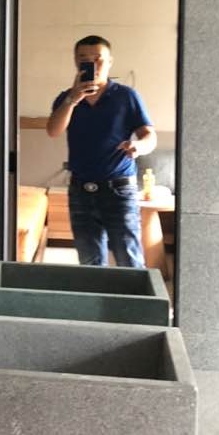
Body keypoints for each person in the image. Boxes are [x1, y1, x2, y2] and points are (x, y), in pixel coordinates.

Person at [46, 35, 156, 268]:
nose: (92, 64)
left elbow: (149, 136)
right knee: (89, 264)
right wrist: (72, 100)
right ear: (76, 62)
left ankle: (131, 294)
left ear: (110, 62)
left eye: (98, 59)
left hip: (119, 189)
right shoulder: (66, 98)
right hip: (80, 190)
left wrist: (139, 146)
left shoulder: (126, 96)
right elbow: (53, 131)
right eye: (83, 59)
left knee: (129, 260)